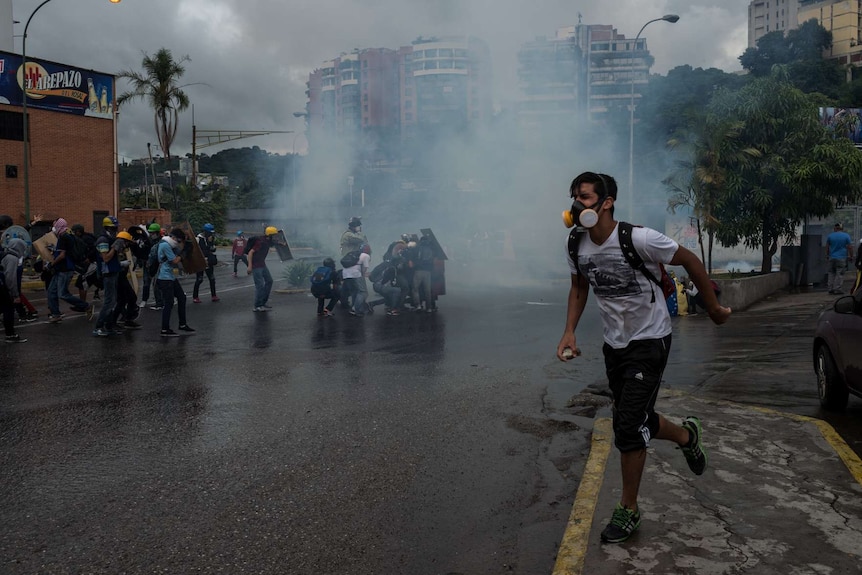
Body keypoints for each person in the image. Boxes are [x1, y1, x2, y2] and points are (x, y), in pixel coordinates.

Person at [556, 171, 731, 544]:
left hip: (650, 340)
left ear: (607, 202)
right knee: (636, 417)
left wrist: (713, 307)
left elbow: (691, 261)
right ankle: (687, 436)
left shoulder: (639, 238)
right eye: (574, 197)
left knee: (628, 427)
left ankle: (628, 511)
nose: (576, 205)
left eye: (584, 198)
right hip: (614, 343)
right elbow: (578, 286)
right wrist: (569, 330)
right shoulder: (576, 243)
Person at [45, 218, 93, 322]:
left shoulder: (64, 237)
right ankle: (55, 314)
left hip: (65, 269)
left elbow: (62, 255)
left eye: (55, 225)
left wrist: (51, 264)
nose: (54, 228)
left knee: (62, 293)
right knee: (51, 292)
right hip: (61, 268)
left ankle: (86, 306)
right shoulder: (68, 236)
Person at [156, 228, 195, 337]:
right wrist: (183, 253)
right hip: (164, 278)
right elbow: (174, 260)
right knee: (168, 303)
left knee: (182, 297)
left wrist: (186, 243)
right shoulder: (165, 245)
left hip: (170, 277)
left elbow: (180, 251)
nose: (178, 243)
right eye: (178, 241)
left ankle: (182, 324)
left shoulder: (171, 245)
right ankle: (165, 329)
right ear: (173, 238)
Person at [92, 216, 124, 336]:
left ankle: (109, 326)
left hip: (113, 271)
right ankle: (98, 326)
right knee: (109, 302)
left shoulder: (110, 238)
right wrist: (115, 247)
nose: (115, 230)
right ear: (107, 227)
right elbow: (106, 258)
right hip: (108, 273)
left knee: (113, 300)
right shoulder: (103, 240)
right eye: (112, 228)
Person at [1, 238, 29, 343]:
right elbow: (10, 278)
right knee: (8, 309)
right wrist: (15, 295)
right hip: (2, 286)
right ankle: (10, 335)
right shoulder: (12, 258)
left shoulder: (4, 254)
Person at [246, 226, 279, 312]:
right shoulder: (260, 242)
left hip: (262, 264)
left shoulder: (267, 241)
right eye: (274, 235)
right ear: (270, 235)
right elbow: (250, 253)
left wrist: (282, 244)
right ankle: (257, 306)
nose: (275, 237)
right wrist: (249, 266)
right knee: (259, 285)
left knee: (269, 281)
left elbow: (274, 243)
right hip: (256, 266)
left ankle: (263, 303)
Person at [193, 223, 219, 303]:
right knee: (199, 279)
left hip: (209, 261)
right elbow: (199, 250)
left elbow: (212, 249)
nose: (210, 234)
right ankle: (195, 296)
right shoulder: (198, 239)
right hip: (201, 261)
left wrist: (211, 243)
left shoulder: (210, 238)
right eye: (209, 232)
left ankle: (213, 295)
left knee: (212, 278)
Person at [342, 243, 371, 316]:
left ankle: (355, 308)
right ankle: (355, 309)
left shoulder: (353, 254)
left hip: (345, 274)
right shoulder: (366, 255)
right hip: (355, 274)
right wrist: (363, 275)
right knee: (363, 292)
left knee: (354, 292)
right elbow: (364, 268)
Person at [825, 222, 854, 294]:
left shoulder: (830, 236)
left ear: (835, 228)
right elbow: (850, 247)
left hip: (832, 257)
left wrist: (827, 255)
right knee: (839, 273)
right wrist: (851, 256)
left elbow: (827, 247)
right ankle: (837, 289)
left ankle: (830, 288)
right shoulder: (846, 236)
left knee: (831, 273)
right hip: (841, 258)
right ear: (842, 228)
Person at [139, 223, 162, 308]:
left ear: (157, 233)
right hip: (148, 264)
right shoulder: (147, 240)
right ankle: (144, 300)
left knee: (157, 284)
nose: (151, 235)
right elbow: (142, 252)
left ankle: (159, 301)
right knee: (146, 283)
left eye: (153, 233)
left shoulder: (161, 241)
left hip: (157, 264)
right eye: (150, 233)